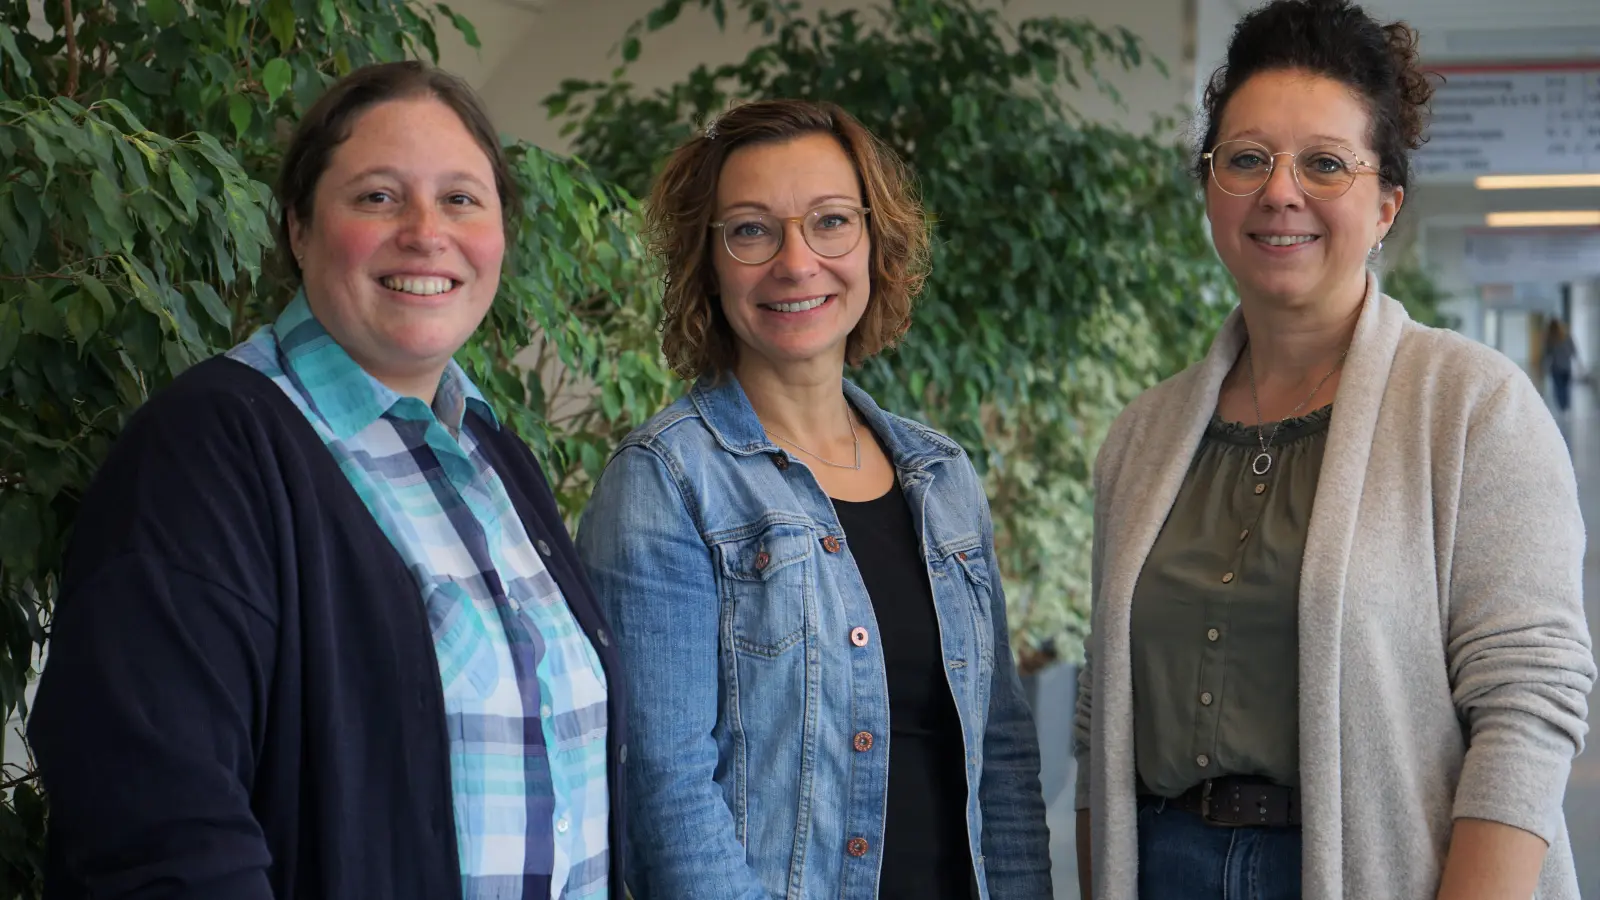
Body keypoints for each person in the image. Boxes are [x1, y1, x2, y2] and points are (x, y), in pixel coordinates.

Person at [27, 61, 626, 900]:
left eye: (461, 198)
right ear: (299, 228)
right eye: (378, 196)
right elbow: (156, 823)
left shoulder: (494, 453)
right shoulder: (207, 452)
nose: (426, 231)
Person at [1072, 2, 1595, 899]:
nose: (1280, 191)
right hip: (1162, 869)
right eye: (1246, 159)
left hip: (1376, 870)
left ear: (1385, 203)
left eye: (1324, 163)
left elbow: (1528, 705)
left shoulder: (1473, 407)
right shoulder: (1144, 436)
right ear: (1209, 188)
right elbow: (1100, 715)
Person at [575, 99, 1052, 900]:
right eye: (753, 230)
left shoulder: (942, 478)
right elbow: (666, 787)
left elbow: (999, 754)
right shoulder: (667, 480)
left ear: (874, 242)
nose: (797, 263)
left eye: (830, 221)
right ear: (709, 260)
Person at [1544, 318, 1582, 413]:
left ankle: (1562, 407)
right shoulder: (1567, 336)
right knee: (1566, 388)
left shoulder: (1550, 339)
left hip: (1556, 368)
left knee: (1558, 389)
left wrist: (1543, 367)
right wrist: (1579, 363)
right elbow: (1573, 351)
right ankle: (1566, 407)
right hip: (1566, 367)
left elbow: (1547, 354)